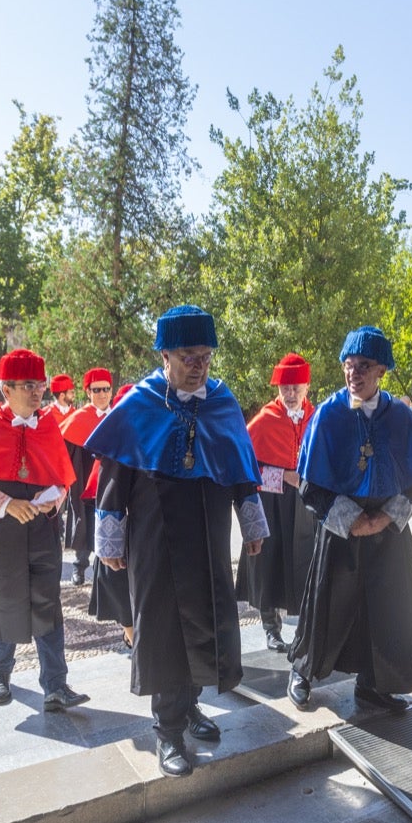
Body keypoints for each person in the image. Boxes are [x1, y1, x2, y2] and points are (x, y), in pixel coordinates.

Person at [86, 305, 269, 778]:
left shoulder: (222, 402)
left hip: (209, 534)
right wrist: (108, 538)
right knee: (166, 629)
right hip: (155, 538)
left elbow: (241, 467)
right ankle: (167, 730)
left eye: (205, 356)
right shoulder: (140, 403)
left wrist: (252, 523)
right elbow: (114, 474)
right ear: (164, 354)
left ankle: (190, 708)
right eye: (188, 355)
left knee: (206, 619)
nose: (198, 365)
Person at [288, 326, 412, 713]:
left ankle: (375, 685)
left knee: (388, 610)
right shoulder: (328, 415)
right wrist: (351, 520)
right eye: (349, 365)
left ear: (381, 372)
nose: (354, 373)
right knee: (328, 604)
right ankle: (302, 672)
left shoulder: (401, 418)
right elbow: (311, 485)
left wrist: (386, 518)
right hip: (341, 530)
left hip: (387, 533)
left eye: (364, 366)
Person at [0, 348, 87, 713]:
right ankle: (0, 675)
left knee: (48, 606)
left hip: (42, 532)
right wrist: (7, 505)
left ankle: (55, 685)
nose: (37, 392)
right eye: (27, 385)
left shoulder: (50, 424)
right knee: (0, 602)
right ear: (6, 389)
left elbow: (62, 479)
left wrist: (52, 495)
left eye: (40, 384)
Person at [236, 353, 317, 653]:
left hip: (307, 503)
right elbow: (247, 465)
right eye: (285, 388)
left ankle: (307, 624)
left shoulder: (317, 417)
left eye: (296, 387)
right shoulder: (265, 419)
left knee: (307, 561)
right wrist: (283, 475)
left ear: (307, 386)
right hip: (271, 501)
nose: (291, 393)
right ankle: (271, 628)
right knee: (268, 563)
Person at [86, 385, 136, 649]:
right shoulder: (119, 439)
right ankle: (131, 634)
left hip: (144, 530)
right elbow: (108, 493)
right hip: (119, 530)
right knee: (117, 584)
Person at [59, 367, 114, 586]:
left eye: (106, 389)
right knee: (84, 519)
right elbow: (63, 452)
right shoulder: (78, 419)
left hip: (110, 478)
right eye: (96, 389)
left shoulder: (117, 416)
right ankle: (79, 567)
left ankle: (106, 572)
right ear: (88, 392)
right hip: (84, 477)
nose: (102, 394)